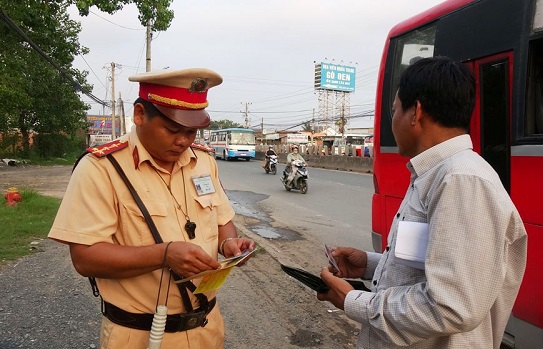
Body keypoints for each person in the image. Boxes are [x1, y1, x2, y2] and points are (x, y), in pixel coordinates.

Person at [317, 57, 527, 348]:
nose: (392, 122)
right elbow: (432, 265)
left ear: (415, 112)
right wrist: (368, 265)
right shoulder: (435, 174)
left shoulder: (462, 179)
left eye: (394, 111)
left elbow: (452, 304)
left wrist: (355, 301)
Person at [48, 68, 256, 349]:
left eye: (191, 131)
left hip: (207, 328)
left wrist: (230, 243)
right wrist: (164, 255)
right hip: (138, 335)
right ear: (139, 115)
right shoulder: (101, 168)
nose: (183, 141)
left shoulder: (204, 162)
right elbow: (85, 258)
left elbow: (221, 218)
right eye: (172, 129)